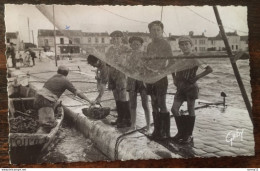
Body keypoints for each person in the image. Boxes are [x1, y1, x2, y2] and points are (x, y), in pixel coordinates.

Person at [171, 36, 213, 144]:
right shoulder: (179, 57)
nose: (184, 47)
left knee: (190, 109)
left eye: (187, 44)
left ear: (191, 45)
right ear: (179, 46)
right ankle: (181, 132)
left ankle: (188, 135)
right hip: (180, 87)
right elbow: (172, 68)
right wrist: (174, 78)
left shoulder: (195, 57)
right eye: (182, 45)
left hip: (191, 87)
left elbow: (209, 69)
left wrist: (197, 77)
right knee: (174, 109)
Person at [146, 21, 173, 140]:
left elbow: (172, 62)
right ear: (150, 32)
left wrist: (163, 71)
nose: (155, 32)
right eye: (153, 30)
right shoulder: (149, 46)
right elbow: (147, 61)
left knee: (161, 103)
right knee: (153, 103)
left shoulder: (166, 44)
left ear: (162, 31)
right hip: (150, 78)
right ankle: (157, 131)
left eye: (158, 30)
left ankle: (165, 132)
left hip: (161, 78)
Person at [126, 36, 150, 132]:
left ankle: (148, 126)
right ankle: (133, 125)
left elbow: (149, 67)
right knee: (132, 104)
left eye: (138, 44)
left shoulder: (145, 54)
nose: (135, 46)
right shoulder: (128, 56)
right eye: (133, 44)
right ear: (130, 45)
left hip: (143, 82)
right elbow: (125, 68)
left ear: (141, 45)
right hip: (132, 81)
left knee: (145, 104)